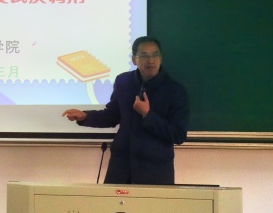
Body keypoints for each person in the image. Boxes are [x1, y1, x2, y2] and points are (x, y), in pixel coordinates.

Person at [62, 36, 189, 185]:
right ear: (134, 59)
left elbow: (178, 135)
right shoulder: (124, 82)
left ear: (161, 58)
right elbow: (112, 116)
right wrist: (85, 116)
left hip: (155, 172)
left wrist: (147, 115)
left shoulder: (175, 91)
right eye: (144, 56)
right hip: (120, 168)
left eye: (155, 55)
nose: (151, 60)